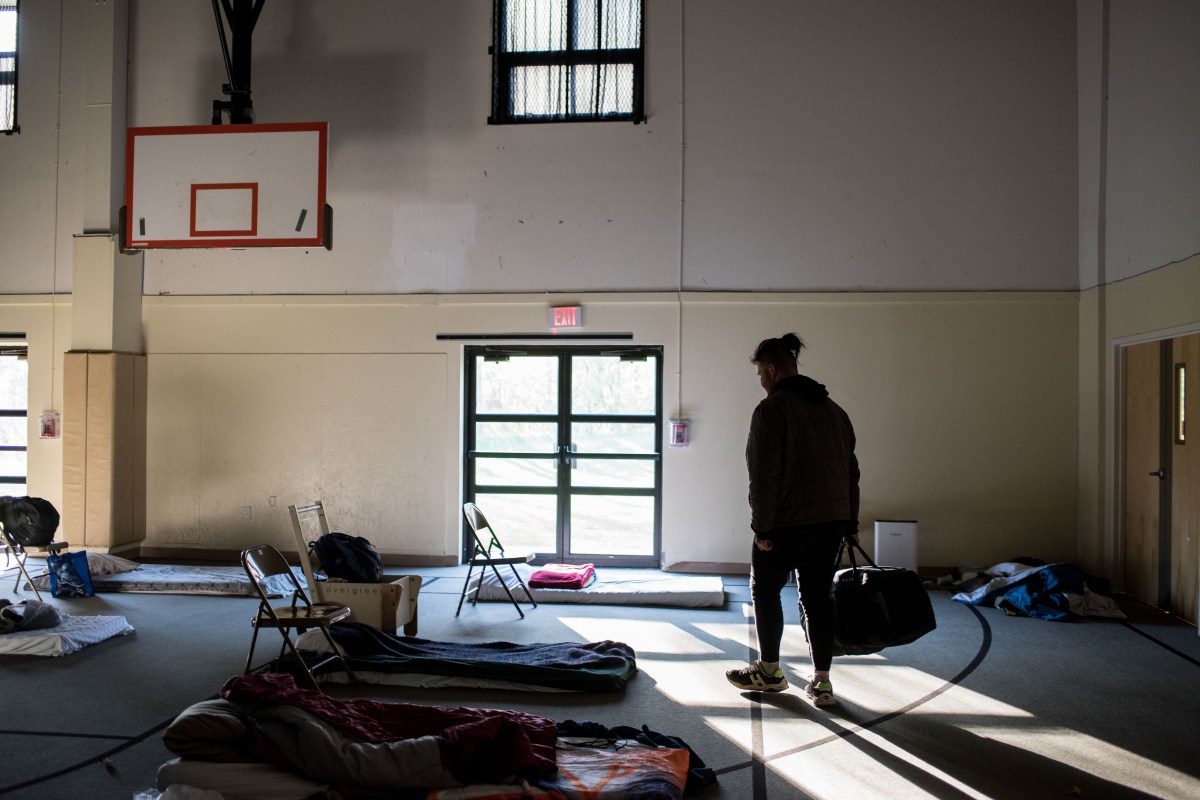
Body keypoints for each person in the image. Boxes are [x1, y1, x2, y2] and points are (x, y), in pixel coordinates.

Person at [725, 333, 859, 707]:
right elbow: (851, 471)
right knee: (817, 597)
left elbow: (763, 475)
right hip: (831, 522)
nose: (761, 381)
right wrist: (850, 522)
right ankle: (822, 682)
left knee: (765, 592)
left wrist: (762, 529)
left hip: (786, 524)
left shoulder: (771, 410)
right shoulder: (835, 411)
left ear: (771, 369)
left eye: (760, 374)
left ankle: (769, 672)